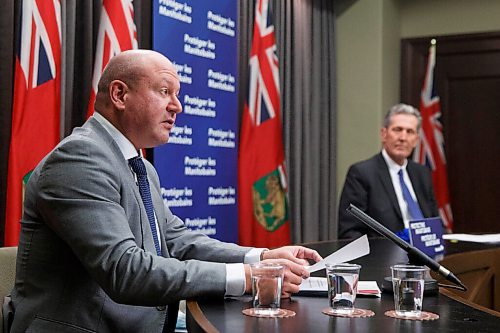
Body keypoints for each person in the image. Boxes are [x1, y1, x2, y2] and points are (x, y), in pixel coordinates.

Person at [5, 50, 322, 333]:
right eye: (164, 91)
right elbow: (125, 270)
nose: (178, 106)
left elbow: (175, 241)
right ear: (120, 95)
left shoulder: (137, 163)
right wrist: (247, 276)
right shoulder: (79, 160)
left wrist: (262, 257)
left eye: (177, 94)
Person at [338, 103, 439, 240]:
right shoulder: (361, 173)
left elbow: (434, 222)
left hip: (426, 254)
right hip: (385, 257)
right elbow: (350, 232)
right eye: (397, 130)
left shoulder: (421, 173)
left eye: (409, 132)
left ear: (416, 140)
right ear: (384, 134)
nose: (403, 138)